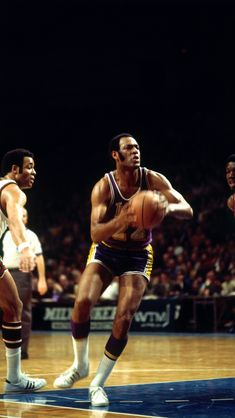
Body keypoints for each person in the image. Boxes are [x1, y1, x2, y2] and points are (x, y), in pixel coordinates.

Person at [54, 133, 193, 406]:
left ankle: (97, 384)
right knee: (81, 302)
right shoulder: (103, 187)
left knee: (124, 316)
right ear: (115, 155)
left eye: (137, 147)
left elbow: (187, 209)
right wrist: (124, 218)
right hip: (106, 250)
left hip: (138, 255)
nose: (135, 151)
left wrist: (168, 206)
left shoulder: (153, 179)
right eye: (128, 148)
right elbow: (95, 233)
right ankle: (80, 366)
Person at [0, 148, 46, 392]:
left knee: (13, 306)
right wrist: (25, 247)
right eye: (29, 166)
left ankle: (15, 379)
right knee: (13, 307)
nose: (33, 172)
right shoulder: (12, 189)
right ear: (15, 170)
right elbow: (16, 219)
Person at [2, 207, 48, 359]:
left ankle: (21, 350)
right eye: (18, 215)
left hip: (22, 275)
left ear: (27, 219)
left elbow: (39, 257)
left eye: (24, 215)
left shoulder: (30, 235)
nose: (21, 218)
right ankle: (10, 347)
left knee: (22, 312)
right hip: (4, 273)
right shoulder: (5, 234)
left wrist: (41, 279)